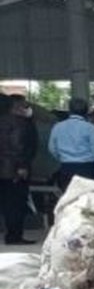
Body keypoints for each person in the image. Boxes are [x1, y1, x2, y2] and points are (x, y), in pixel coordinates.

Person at [0, 95, 37, 244]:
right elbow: (17, 146)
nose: (28, 109)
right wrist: (22, 166)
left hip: (4, 169)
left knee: (7, 202)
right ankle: (14, 236)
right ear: (16, 107)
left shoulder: (2, 121)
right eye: (25, 106)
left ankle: (11, 234)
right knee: (16, 204)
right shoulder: (18, 123)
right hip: (14, 170)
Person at [48, 97, 94, 189]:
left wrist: (62, 157)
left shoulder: (58, 127)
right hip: (88, 169)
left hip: (66, 168)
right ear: (86, 111)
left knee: (69, 200)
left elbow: (52, 148)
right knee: (87, 200)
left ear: (69, 110)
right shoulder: (90, 128)